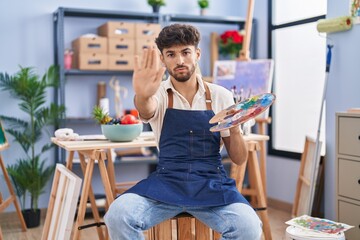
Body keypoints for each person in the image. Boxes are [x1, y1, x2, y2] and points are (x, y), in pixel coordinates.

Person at [104, 23, 262, 240]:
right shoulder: (157, 94)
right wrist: (141, 95)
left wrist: (234, 128)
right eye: (171, 54)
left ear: (196, 54)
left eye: (185, 52)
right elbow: (147, 109)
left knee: (249, 227)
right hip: (166, 183)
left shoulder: (221, 95)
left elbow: (239, 158)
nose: (179, 60)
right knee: (117, 215)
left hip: (211, 184)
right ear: (162, 59)